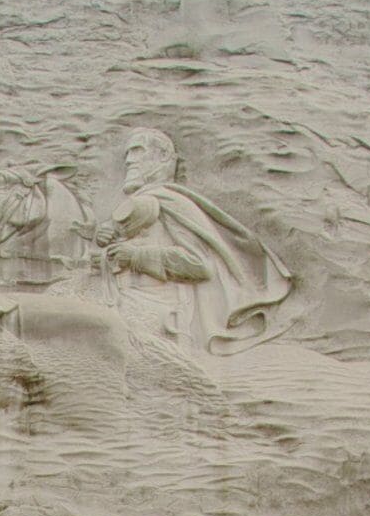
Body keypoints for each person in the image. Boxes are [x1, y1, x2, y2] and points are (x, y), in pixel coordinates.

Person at [94, 127, 292, 353]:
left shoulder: (170, 202)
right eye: (128, 154)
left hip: (159, 315)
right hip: (120, 302)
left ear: (162, 158)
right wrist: (105, 248)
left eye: (138, 151)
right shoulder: (137, 206)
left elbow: (199, 265)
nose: (129, 160)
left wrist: (137, 256)